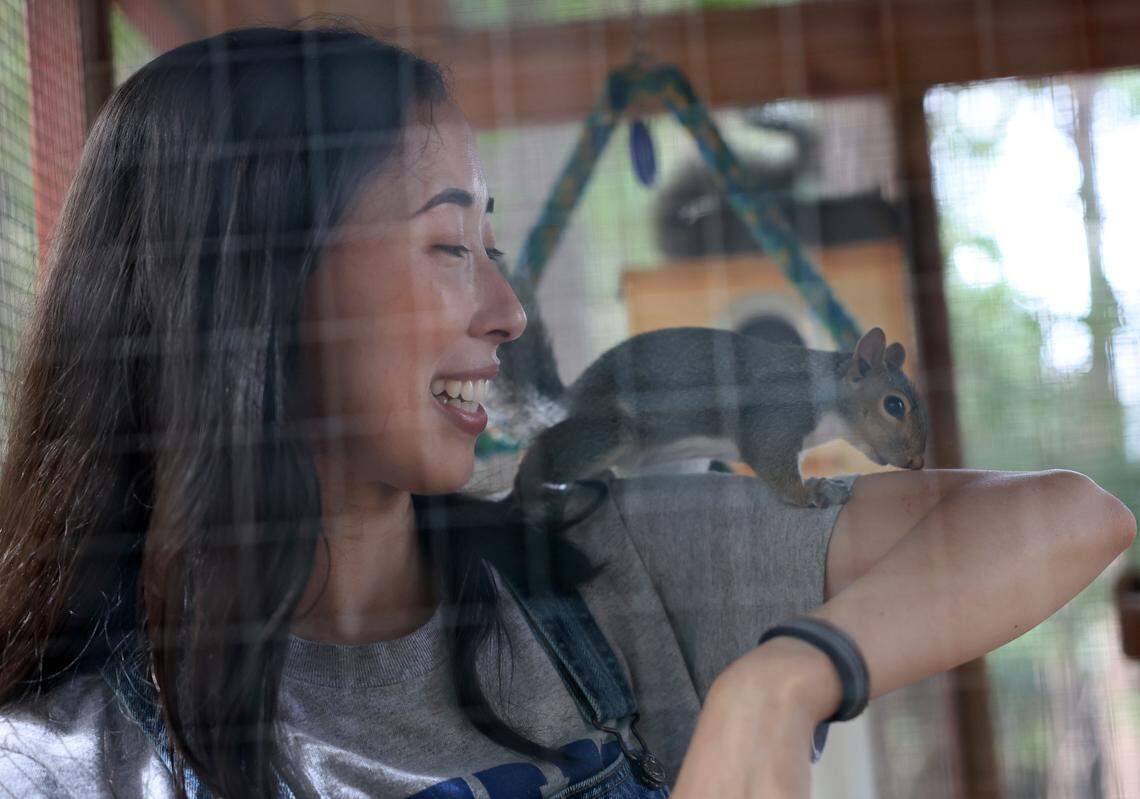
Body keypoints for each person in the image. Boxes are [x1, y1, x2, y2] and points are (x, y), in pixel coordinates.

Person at [0, 25, 1133, 799]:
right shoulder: (56, 755)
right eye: (450, 246)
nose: (502, 308)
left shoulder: (605, 563)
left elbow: (1069, 516)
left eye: (494, 246)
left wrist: (783, 681)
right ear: (252, 289)